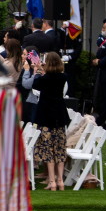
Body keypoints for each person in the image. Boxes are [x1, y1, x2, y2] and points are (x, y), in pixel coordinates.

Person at [25, 51, 72, 190]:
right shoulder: (63, 77)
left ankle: (52, 181)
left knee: (47, 148)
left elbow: (36, 84)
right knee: (59, 148)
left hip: (46, 115)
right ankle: (60, 180)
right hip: (59, 114)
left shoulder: (44, 79)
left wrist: (38, 70)